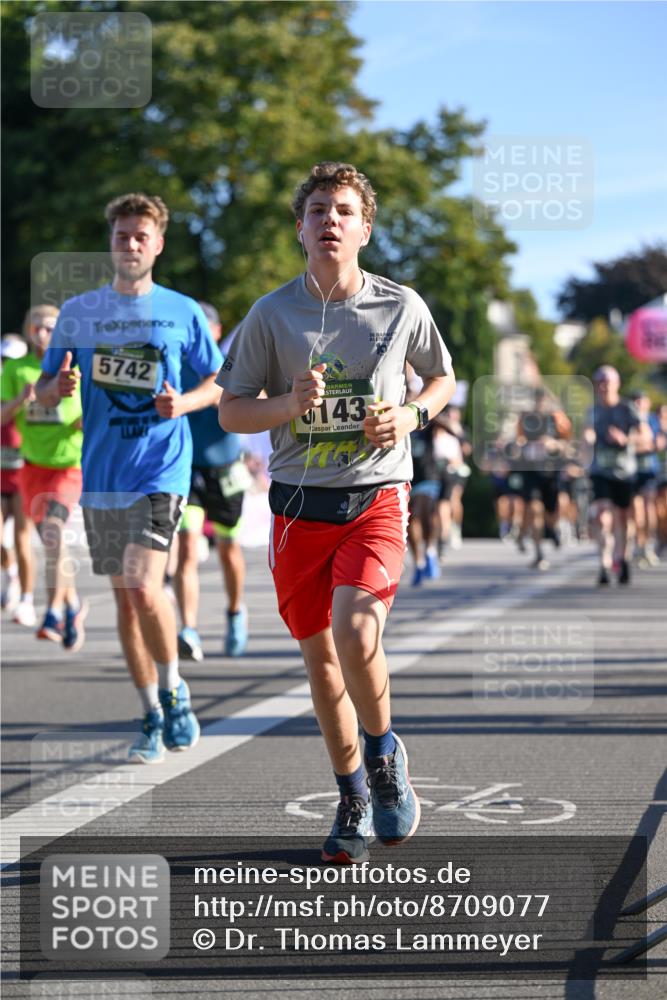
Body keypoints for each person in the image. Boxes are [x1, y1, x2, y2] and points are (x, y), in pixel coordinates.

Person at [218, 162, 455, 863]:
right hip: (297, 510)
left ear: (364, 228)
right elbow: (232, 410)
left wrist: (408, 415)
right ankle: (350, 792)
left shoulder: (400, 306)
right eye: (317, 209)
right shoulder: (271, 313)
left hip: (376, 498)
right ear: (300, 227)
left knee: (356, 634)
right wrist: (287, 406)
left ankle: (383, 762)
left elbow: (441, 379)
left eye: (343, 210)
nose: (329, 220)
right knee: (321, 667)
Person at [36, 193, 222, 762]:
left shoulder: (183, 310)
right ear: (111, 243)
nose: (131, 244)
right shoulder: (78, 313)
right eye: (122, 236)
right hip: (103, 473)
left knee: (144, 584)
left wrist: (184, 403)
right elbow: (44, 390)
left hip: (161, 468)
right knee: (123, 600)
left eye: (142, 236)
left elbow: (221, 383)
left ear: (158, 244)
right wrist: (56, 391)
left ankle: (174, 691)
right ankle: (148, 712)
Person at [1, 307, 85, 648]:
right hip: (31, 468)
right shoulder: (17, 369)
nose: (43, 332)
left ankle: (52, 613)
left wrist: (84, 424)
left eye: (51, 327)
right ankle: (73, 605)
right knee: (55, 545)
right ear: (28, 328)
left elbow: (93, 412)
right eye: (37, 326)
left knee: (52, 535)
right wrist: (22, 398)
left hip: (67, 468)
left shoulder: (74, 369)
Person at [175, 301, 249, 661]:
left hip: (225, 469)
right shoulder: (176, 363)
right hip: (187, 469)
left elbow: (257, 400)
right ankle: (188, 628)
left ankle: (235, 612)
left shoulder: (231, 363)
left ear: (217, 332)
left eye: (206, 328)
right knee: (187, 546)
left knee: (227, 549)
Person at [583, 365, 639, 585]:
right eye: (600, 382)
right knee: (601, 514)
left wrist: (625, 440)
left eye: (607, 382)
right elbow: (586, 433)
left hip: (624, 471)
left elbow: (644, 436)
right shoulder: (593, 410)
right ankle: (604, 562)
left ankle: (622, 558)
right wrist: (586, 442)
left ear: (617, 384)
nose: (604, 386)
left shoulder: (627, 408)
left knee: (623, 519)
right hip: (600, 470)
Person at [0, 334, 34, 619]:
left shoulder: (37, 387)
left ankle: (26, 599)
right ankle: (9, 573)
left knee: (22, 539)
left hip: (24, 472)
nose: (6, 365)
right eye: (3, 359)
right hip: (0, 475)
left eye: (11, 360)